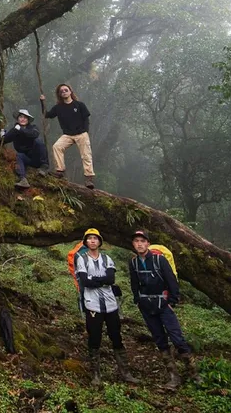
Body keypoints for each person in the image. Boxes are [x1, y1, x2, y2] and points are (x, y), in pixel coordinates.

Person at [129, 230, 198, 389]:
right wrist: (138, 300)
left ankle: (194, 374)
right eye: (136, 241)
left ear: (148, 243)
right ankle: (173, 377)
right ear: (133, 244)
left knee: (177, 338)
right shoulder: (133, 263)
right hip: (147, 307)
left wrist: (171, 302)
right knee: (160, 340)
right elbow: (134, 284)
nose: (139, 243)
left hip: (164, 305)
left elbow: (172, 281)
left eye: (142, 241)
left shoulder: (160, 260)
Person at [76, 228, 139, 387]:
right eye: (89, 238)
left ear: (99, 242)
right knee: (94, 337)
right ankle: (96, 375)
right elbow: (85, 281)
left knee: (116, 336)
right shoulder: (82, 259)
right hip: (92, 304)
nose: (92, 241)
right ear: (85, 242)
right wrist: (100, 280)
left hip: (111, 304)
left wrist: (94, 279)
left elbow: (111, 278)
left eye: (95, 238)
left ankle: (125, 372)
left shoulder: (107, 258)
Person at [40, 83, 95, 189]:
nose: (64, 92)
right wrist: (42, 102)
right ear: (59, 95)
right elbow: (47, 115)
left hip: (81, 133)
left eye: (66, 90)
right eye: (61, 91)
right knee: (57, 146)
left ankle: (89, 178)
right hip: (68, 135)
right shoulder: (58, 108)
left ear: (70, 91)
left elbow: (86, 119)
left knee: (86, 155)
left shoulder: (79, 105)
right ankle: (60, 171)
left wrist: (85, 131)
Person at [0, 109, 49, 189]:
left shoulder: (33, 128)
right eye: (21, 117)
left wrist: (20, 130)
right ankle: (23, 179)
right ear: (17, 119)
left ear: (28, 120)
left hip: (37, 158)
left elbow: (34, 134)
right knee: (19, 155)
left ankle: (44, 166)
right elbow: (3, 141)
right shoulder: (14, 130)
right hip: (27, 159)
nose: (23, 119)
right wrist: (2, 136)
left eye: (25, 118)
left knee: (38, 142)